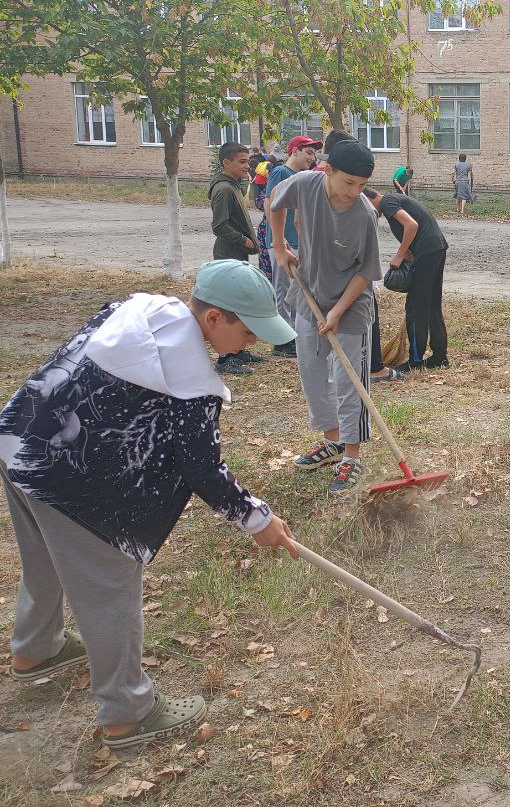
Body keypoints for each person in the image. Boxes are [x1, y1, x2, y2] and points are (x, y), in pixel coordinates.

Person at [0, 259, 297, 748]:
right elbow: (202, 467)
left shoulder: (140, 309)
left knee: (44, 558)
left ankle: (36, 649)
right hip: (66, 478)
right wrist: (256, 518)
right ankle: (127, 712)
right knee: (110, 583)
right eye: (248, 332)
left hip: (20, 440)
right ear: (214, 318)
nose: (255, 343)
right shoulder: (189, 377)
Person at [269, 137, 382, 493]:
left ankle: (351, 456)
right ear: (328, 171)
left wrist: (336, 312)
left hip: (349, 308)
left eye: (362, 185)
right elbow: (275, 202)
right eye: (349, 182)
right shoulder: (305, 184)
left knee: (350, 384)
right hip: (309, 297)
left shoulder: (364, 214)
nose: (355, 191)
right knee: (314, 378)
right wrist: (280, 247)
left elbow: (366, 272)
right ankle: (332, 442)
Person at [363, 186, 450, 370]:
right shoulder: (394, 201)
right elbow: (414, 235)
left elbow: (412, 225)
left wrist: (399, 255)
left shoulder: (387, 202)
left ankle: (415, 361)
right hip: (435, 249)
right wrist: (409, 259)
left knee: (416, 307)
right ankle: (440, 356)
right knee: (432, 304)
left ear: (368, 199)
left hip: (428, 251)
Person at [208, 142, 266, 376]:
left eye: (247, 161)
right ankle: (224, 358)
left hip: (237, 254)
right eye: (242, 162)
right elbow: (219, 226)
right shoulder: (223, 189)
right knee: (227, 308)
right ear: (226, 162)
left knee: (238, 305)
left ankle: (237, 350)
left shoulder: (233, 186)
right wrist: (246, 241)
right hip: (228, 254)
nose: (247, 166)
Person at [264, 136, 323, 358]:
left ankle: (292, 335)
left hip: (296, 241)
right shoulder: (281, 173)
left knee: (294, 289)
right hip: (283, 243)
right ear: (295, 151)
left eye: (314, 154)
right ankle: (283, 341)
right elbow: (270, 202)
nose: (312, 158)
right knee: (282, 290)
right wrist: (279, 240)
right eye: (308, 152)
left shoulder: (300, 177)